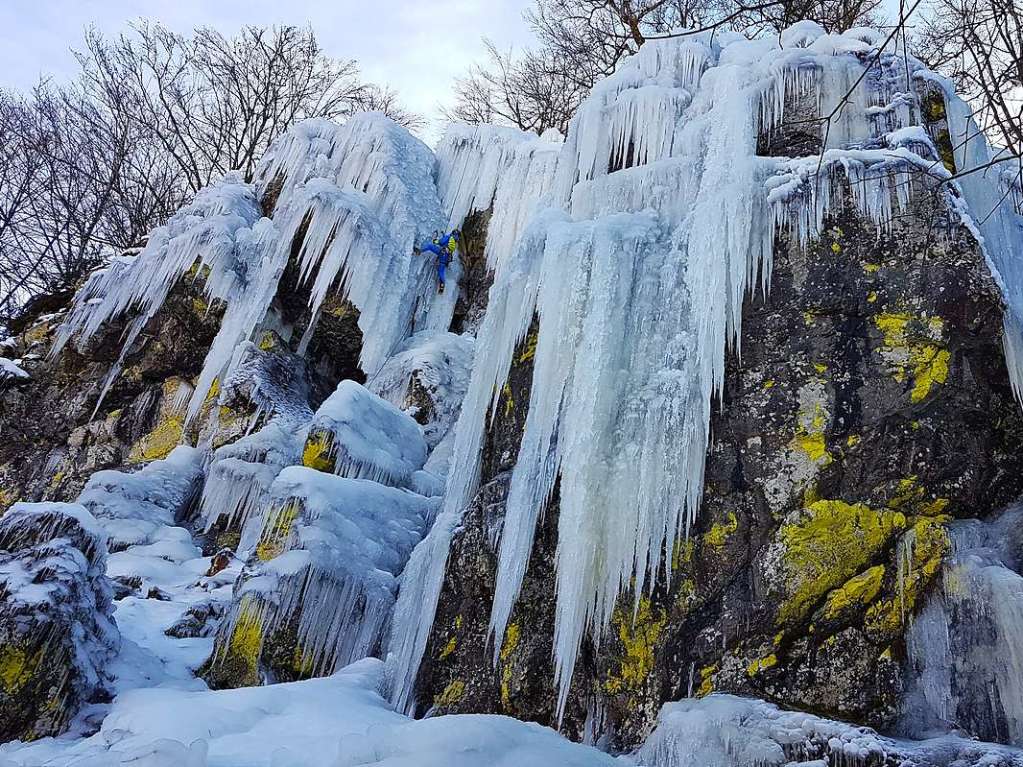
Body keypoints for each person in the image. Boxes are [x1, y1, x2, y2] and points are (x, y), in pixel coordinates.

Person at [421, 229, 460, 293]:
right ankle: (442, 285)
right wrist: (443, 234)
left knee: (430, 246)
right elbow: (447, 243)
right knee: (441, 271)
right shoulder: (453, 242)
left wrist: (435, 241)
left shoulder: (449, 237)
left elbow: (441, 242)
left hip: (442, 253)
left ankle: (420, 251)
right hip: (447, 257)